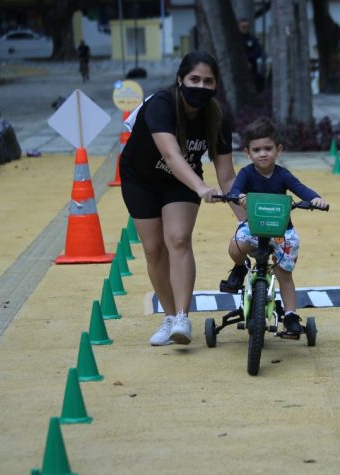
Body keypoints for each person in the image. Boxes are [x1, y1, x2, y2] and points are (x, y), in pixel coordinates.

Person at [120, 50, 245, 346]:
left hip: (182, 182)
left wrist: (247, 222)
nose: (200, 86)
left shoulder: (216, 118)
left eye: (208, 81)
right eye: (194, 79)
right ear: (180, 79)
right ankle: (167, 316)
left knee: (177, 239)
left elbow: (227, 176)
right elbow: (170, 154)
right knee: (153, 249)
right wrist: (201, 186)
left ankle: (181, 318)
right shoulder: (161, 105)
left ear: (216, 86)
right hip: (141, 179)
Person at [220, 118, 328, 336]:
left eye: (268, 148)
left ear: (278, 150)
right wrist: (238, 195)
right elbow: (237, 188)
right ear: (248, 153)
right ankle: (240, 267)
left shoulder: (283, 174)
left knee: (283, 273)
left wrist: (315, 199)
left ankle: (290, 315)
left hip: (281, 230)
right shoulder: (246, 173)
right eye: (256, 150)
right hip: (253, 226)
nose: (263, 154)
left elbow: (300, 189)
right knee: (236, 245)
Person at [238, 18, 264, 91]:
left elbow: (258, 51)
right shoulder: (236, 40)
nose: (246, 29)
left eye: (247, 27)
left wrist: (249, 59)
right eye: (243, 27)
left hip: (252, 68)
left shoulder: (252, 39)